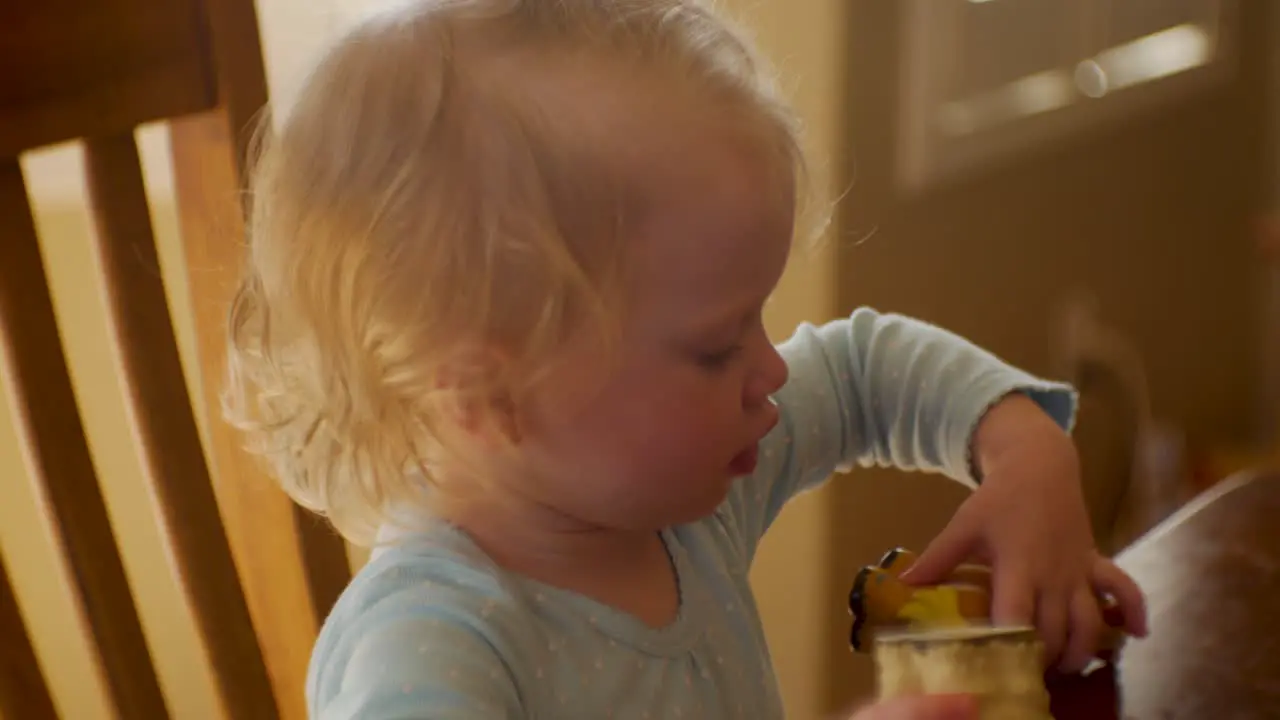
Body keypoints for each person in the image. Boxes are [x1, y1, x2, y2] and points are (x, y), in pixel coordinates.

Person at [224, 1, 1148, 717]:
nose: (771, 371)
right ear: (488, 390)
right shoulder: (432, 645)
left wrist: (1026, 452)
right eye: (716, 346)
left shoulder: (679, 504)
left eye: (759, 321)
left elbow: (866, 369)